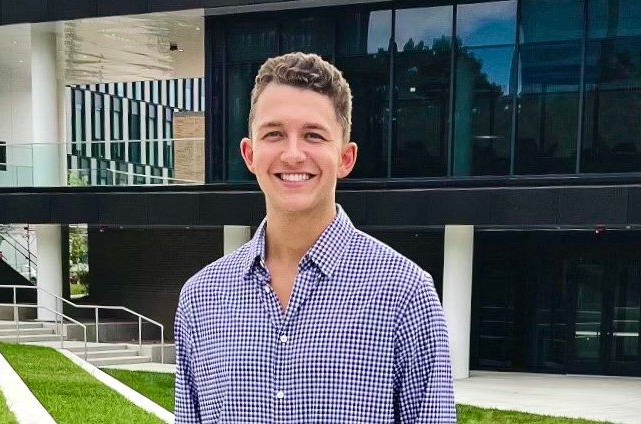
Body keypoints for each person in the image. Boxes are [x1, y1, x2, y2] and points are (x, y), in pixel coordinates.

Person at [174, 52, 455, 423]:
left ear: (345, 157)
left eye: (313, 135)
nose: (293, 154)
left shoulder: (405, 295)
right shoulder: (201, 299)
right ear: (250, 154)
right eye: (274, 134)